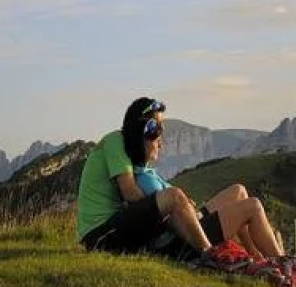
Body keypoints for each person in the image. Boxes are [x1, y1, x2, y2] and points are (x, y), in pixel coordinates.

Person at [75, 97, 217, 260]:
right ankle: (211, 255)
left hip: (114, 227)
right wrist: (167, 208)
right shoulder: (116, 141)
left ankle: (204, 252)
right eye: (155, 124)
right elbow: (130, 193)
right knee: (173, 196)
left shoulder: (130, 151)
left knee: (175, 200)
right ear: (139, 124)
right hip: (99, 234)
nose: (160, 130)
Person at [134, 129, 286, 260]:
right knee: (254, 206)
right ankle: (282, 264)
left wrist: (187, 205)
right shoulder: (145, 179)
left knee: (238, 191)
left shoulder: (147, 173)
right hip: (187, 234)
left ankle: (254, 255)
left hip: (192, 219)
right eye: (157, 141)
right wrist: (186, 208)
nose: (161, 145)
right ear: (143, 144)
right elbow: (167, 218)